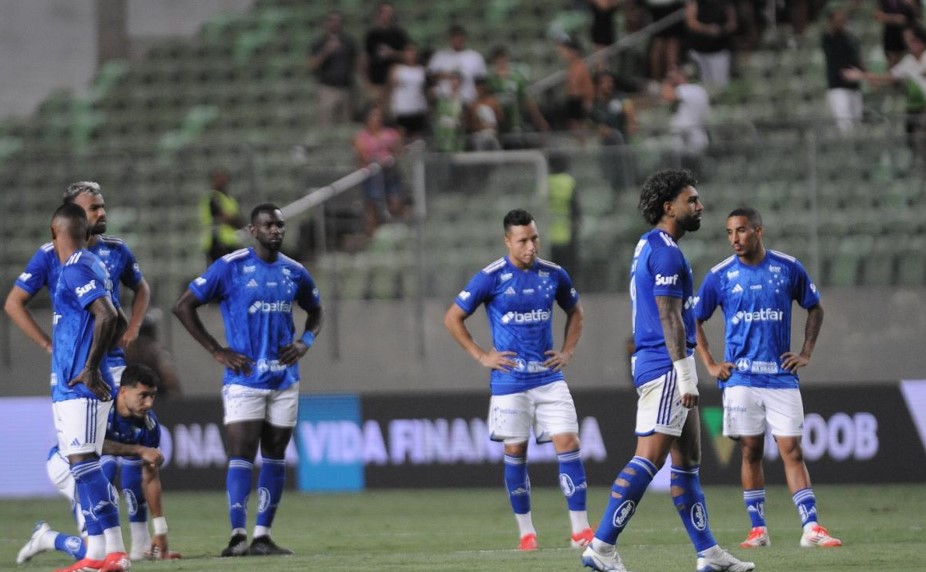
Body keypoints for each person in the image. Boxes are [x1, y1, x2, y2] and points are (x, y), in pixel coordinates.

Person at [582, 169, 754, 572]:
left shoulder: (650, 245)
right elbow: (669, 316)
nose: (699, 206)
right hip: (666, 365)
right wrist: (686, 373)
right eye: (691, 200)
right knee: (649, 458)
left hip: (665, 363)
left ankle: (709, 554)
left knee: (688, 460)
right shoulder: (666, 253)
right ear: (669, 207)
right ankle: (601, 546)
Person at [173, 203, 323, 557]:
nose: (276, 230)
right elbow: (183, 306)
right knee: (241, 453)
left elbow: (316, 311)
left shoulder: (295, 272)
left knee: (275, 455)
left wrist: (305, 343)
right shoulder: (230, 267)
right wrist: (217, 350)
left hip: (285, 379)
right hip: (243, 378)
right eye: (268, 225)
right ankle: (237, 534)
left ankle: (262, 536)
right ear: (253, 230)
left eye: (280, 225)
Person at [443, 209, 594, 552]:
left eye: (534, 238)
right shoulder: (491, 277)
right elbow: (453, 317)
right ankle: (527, 533)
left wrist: (567, 352)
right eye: (523, 240)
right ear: (507, 241)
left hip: (549, 378)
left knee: (568, 443)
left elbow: (576, 311)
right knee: (515, 450)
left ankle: (580, 531)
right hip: (510, 382)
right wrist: (482, 356)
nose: (531, 246)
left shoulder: (554, 274)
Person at [694, 207, 842, 550]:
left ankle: (811, 526)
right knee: (750, 450)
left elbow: (814, 306)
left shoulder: (788, 268)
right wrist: (711, 364)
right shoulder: (719, 276)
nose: (735, 238)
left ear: (758, 231)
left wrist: (805, 352)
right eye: (730, 232)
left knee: (791, 449)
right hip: (740, 378)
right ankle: (758, 529)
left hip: (780, 376)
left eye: (742, 231)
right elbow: (695, 319)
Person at [17, 364, 181, 565]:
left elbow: (149, 477)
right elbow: (91, 446)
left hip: (90, 471)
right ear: (123, 392)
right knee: (106, 469)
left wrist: (160, 529)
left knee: (123, 471)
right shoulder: (102, 405)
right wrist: (139, 449)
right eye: (143, 395)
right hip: (65, 464)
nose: (148, 403)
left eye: (152, 396)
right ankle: (50, 539)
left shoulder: (149, 425)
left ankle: (139, 544)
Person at [47, 202, 130, 572]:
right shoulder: (92, 263)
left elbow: (109, 315)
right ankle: (106, 553)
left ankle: (104, 553)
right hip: (73, 384)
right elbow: (120, 316)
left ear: (56, 232)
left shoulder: (77, 266)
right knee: (84, 464)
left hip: (82, 384)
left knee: (83, 465)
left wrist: (91, 367)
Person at [5, 182, 151, 378]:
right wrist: (47, 344)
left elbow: (141, 288)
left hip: (112, 359)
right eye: (94, 208)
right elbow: (13, 303)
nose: (102, 213)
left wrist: (134, 327)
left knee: (126, 408)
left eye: (102, 206)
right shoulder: (49, 255)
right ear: (75, 214)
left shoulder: (117, 249)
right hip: (73, 361)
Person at [353, 104, 406, 236]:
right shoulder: (361, 137)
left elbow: (399, 151)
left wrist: (392, 154)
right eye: (374, 115)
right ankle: (373, 235)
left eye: (379, 115)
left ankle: (393, 231)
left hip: (389, 174)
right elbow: (361, 157)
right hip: (372, 176)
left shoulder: (390, 134)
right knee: (372, 208)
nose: (378, 118)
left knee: (395, 203)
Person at [486, 46, 550, 148]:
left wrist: (540, 120)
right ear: (494, 61)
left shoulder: (516, 78)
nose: (501, 61)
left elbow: (527, 100)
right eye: (498, 59)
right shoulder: (491, 80)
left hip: (514, 123)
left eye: (503, 58)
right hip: (497, 124)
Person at [310, 11, 359, 126]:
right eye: (331, 20)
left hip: (346, 88)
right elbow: (313, 65)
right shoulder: (320, 42)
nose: (335, 23)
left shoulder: (348, 41)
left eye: (337, 21)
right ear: (326, 23)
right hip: (327, 89)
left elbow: (357, 62)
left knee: (347, 124)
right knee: (326, 124)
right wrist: (326, 51)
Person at [590, 71, 638, 190]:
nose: (608, 85)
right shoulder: (595, 105)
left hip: (623, 143)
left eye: (610, 81)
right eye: (604, 82)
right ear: (597, 85)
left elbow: (629, 111)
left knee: (625, 172)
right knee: (610, 175)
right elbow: (592, 123)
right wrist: (599, 129)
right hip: (606, 147)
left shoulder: (620, 98)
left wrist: (631, 123)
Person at [822, 5, 864, 134]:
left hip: (854, 86)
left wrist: (864, 74)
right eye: (838, 19)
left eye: (843, 19)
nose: (841, 22)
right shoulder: (828, 38)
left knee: (857, 124)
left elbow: (858, 60)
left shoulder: (851, 39)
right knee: (844, 124)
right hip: (837, 86)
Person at [661, 66, 711, 174]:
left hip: (687, 140)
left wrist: (668, 81)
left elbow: (667, 95)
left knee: (686, 175)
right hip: (699, 136)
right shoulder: (701, 90)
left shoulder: (687, 89)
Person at [124, 309, 183, 398]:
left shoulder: (155, 351)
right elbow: (170, 378)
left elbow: (169, 377)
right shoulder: (128, 352)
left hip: (154, 398)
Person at [363, 2, 410, 106]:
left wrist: (392, 53)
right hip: (377, 84)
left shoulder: (399, 34)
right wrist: (367, 84)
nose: (387, 15)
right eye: (384, 12)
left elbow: (408, 56)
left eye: (389, 12)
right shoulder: (371, 35)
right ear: (378, 14)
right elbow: (365, 60)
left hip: (395, 85)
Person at [685, 0, 737, 92]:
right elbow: (690, 22)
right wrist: (707, 29)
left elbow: (732, 24)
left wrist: (721, 30)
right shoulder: (696, 2)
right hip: (699, 50)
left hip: (719, 50)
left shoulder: (726, 3)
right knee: (703, 85)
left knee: (721, 86)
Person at [427, 24, 487, 105]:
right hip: (444, 101)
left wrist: (479, 101)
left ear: (464, 38)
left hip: (468, 101)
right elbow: (429, 77)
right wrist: (446, 75)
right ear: (449, 39)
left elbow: (481, 82)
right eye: (454, 37)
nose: (457, 40)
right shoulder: (439, 56)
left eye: (459, 36)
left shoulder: (475, 56)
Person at [200, 169, 244, 264]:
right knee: (220, 272)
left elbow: (238, 220)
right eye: (219, 178)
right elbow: (222, 216)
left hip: (232, 241)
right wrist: (233, 219)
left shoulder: (230, 199)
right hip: (217, 242)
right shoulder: (213, 197)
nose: (222, 181)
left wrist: (234, 219)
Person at [387, 41, 429, 140]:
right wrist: (390, 108)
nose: (411, 55)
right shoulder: (396, 69)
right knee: (402, 139)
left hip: (418, 109)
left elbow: (423, 90)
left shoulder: (421, 70)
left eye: (413, 52)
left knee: (417, 140)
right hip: (402, 110)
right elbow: (391, 89)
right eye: (408, 51)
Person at [558, 38, 595, 143]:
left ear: (574, 52)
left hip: (579, 99)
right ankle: (578, 142)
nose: (564, 55)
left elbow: (588, 86)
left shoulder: (581, 67)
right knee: (572, 124)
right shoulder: (570, 68)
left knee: (579, 125)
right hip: (572, 98)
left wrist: (588, 100)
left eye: (567, 52)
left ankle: (582, 143)